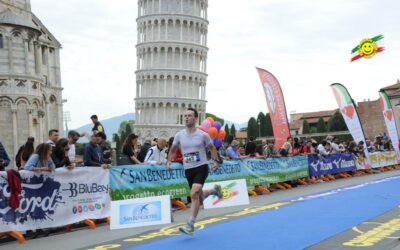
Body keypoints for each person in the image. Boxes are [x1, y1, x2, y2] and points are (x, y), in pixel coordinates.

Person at [166, 108, 222, 235]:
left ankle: (190, 224)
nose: (186, 118)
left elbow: (212, 148)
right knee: (199, 197)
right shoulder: (179, 135)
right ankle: (214, 191)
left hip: (201, 167)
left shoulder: (203, 135)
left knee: (194, 193)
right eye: (185, 116)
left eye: (189, 115)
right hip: (188, 169)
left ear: (196, 118)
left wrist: (215, 161)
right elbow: (173, 149)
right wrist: (168, 161)